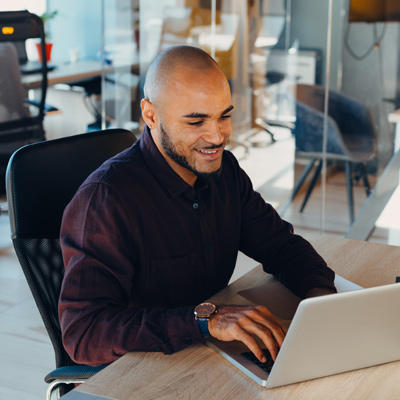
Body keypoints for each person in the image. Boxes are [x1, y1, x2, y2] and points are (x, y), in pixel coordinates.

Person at [59, 45, 336, 367]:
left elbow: (279, 244)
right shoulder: (105, 201)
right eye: (196, 122)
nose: (217, 136)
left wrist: (320, 296)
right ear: (151, 115)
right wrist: (205, 320)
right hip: (141, 368)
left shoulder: (225, 170)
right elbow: (84, 333)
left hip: (210, 354)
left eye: (224, 116)